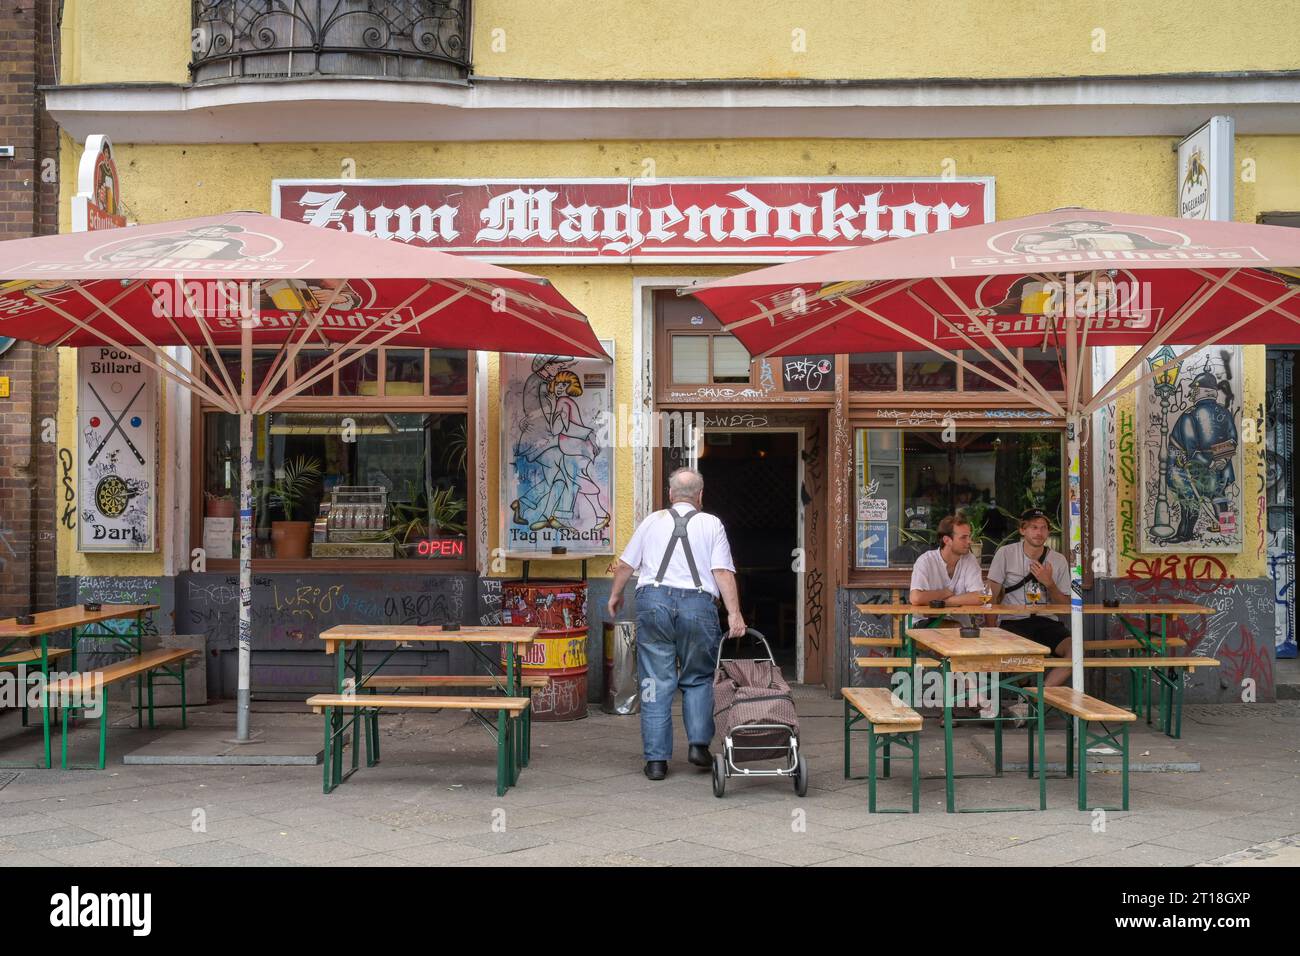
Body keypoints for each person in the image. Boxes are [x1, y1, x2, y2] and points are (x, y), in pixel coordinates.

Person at [607, 468, 746, 780]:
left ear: (670, 495)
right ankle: (698, 746)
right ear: (700, 496)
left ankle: (656, 762)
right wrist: (734, 614)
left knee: (655, 680)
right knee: (698, 677)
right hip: (698, 605)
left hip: (652, 602)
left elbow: (627, 564)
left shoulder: (652, 521)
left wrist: (615, 595)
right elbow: (722, 571)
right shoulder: (712, 523)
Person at [986, 508, 1073, 688]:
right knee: (1022, 654)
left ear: (1048, 532)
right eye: (1033, 527)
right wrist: (991, 630)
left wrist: (1050, 584)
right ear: (1022, 530)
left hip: (1047, 622)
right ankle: (1025, 696)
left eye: (1043, 528)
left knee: (1076, 652)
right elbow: (991, 597)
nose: (1039, 532)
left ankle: (1036, 699)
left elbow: (1066, 606)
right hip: (1013, 622)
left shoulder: (1058, 560)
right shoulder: (1005, 553)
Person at [908, 513, 985, 611]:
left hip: (961, 622)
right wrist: (944, 593)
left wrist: (944, 602)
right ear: (947, 540)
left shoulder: (969, 559)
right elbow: (916, 598)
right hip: (928, 621)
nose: (969, 541)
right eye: (963, 537)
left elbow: (979, 597)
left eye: (969, 536)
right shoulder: (926, 561)